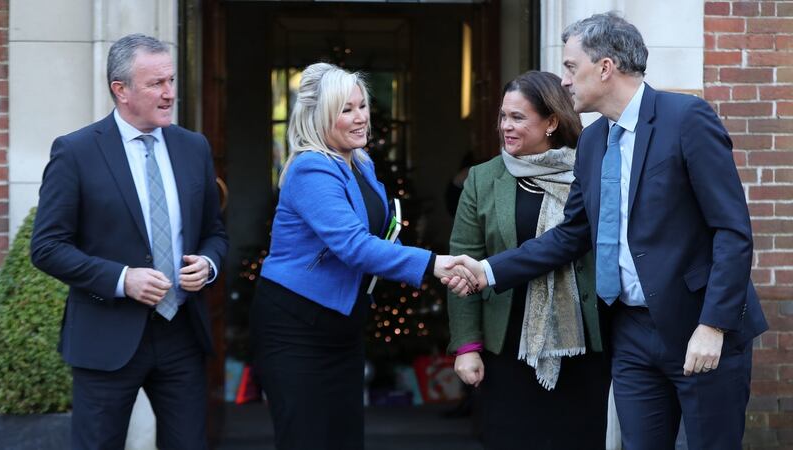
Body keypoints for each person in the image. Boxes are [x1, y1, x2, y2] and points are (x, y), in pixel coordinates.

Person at [446, 12, 768, 450]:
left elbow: (732, 230)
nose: (564, 80)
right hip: (631, 334)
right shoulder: (594, 140)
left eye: (570, 67)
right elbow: (571, 235)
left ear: (604, 67)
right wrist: (487, 271)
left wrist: (714, 324)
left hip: (698, 326)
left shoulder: (687, 119)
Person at [250, 62, 474, 450]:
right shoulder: (311, 169)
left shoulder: (361, 163)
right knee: (306, 440)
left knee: (345, 438)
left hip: (342, 326)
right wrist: (433, 264)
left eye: (362, 106)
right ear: (321, 117)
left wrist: (439, 266)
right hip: (295, 327)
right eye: (346, 109)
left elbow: (380, 238)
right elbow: (354, 246)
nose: (361, 118)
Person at [31, 34, 228, 449]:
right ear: (120, 90)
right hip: (106, 337)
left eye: (171, 81)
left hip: (181, 334)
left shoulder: (194, 147)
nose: (170, 93)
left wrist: (207, 264)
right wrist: (123, 279)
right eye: (156, 83)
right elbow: (47, 247)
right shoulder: (76, 151)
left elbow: (214, 231)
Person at [447, 71, 610, 449]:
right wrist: (467, 347)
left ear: (551, 121)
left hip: (585, 348)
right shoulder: (483, 180)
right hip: (507, 351)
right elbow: (462, 265)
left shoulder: (591, 172)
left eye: (518, 117)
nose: (505, 126)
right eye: (503, 116)